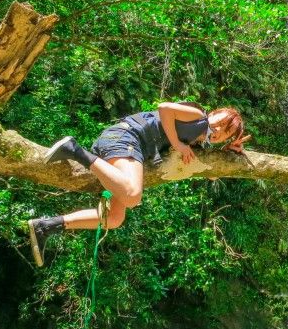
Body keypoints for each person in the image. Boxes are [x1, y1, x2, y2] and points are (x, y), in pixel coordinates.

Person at [26, 101, 250, 266]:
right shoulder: (197, 116)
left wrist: (228, 154)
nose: (219, 131)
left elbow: (210, 174)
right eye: (221, 122)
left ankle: (46, 226)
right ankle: (74, 150)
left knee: (114, 218)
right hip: (125, 138)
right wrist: (177, 144)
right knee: (133, 195)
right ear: (214, 114)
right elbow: (165, 108)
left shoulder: (196, 141)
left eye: (225, 133)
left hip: (131, 149)